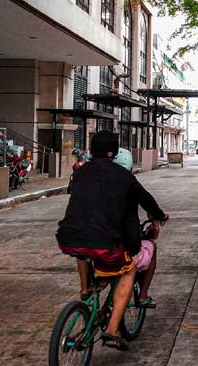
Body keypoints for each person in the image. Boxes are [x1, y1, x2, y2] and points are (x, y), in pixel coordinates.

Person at [56, 132, 168, 351]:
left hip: (68, 238)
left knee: (84, 249)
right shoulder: (124, 177)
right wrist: (160, 217)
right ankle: (113, 329)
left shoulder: (80, 172)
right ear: (115, 152)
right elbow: (147, 201)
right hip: (105, 244)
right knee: (129, 269)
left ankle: (86, 289)